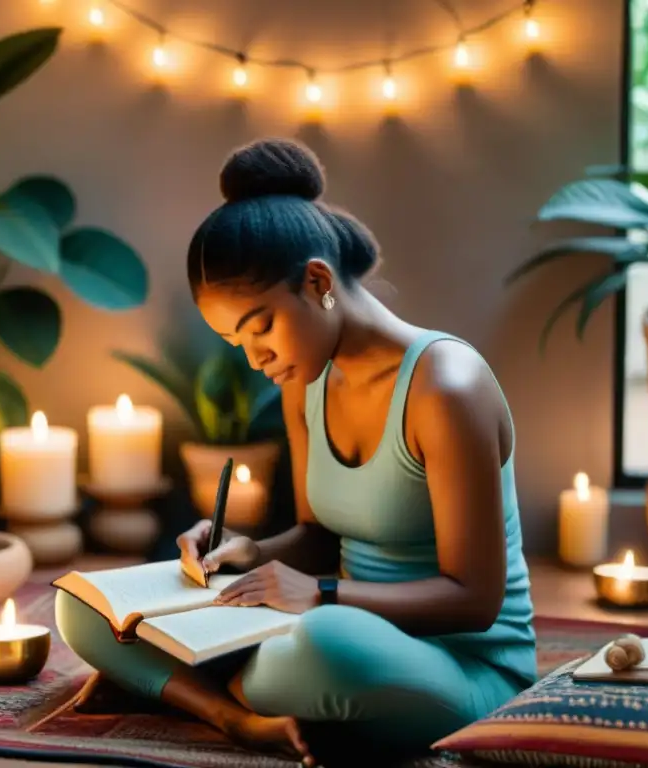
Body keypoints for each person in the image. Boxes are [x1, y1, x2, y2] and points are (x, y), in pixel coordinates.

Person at [56, 137, 536, 766]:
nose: (254, 358)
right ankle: (236, 717)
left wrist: (321, 594)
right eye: (235, 340)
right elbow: (318, 535)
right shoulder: (306, 381)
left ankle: (171, 681)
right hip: (329, 624)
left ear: (318, 282)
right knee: (81, 605)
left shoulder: (446, 387)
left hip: (456, 664)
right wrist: (249, 554)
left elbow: (474, 600)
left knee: (321, 647)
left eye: (260, 327)